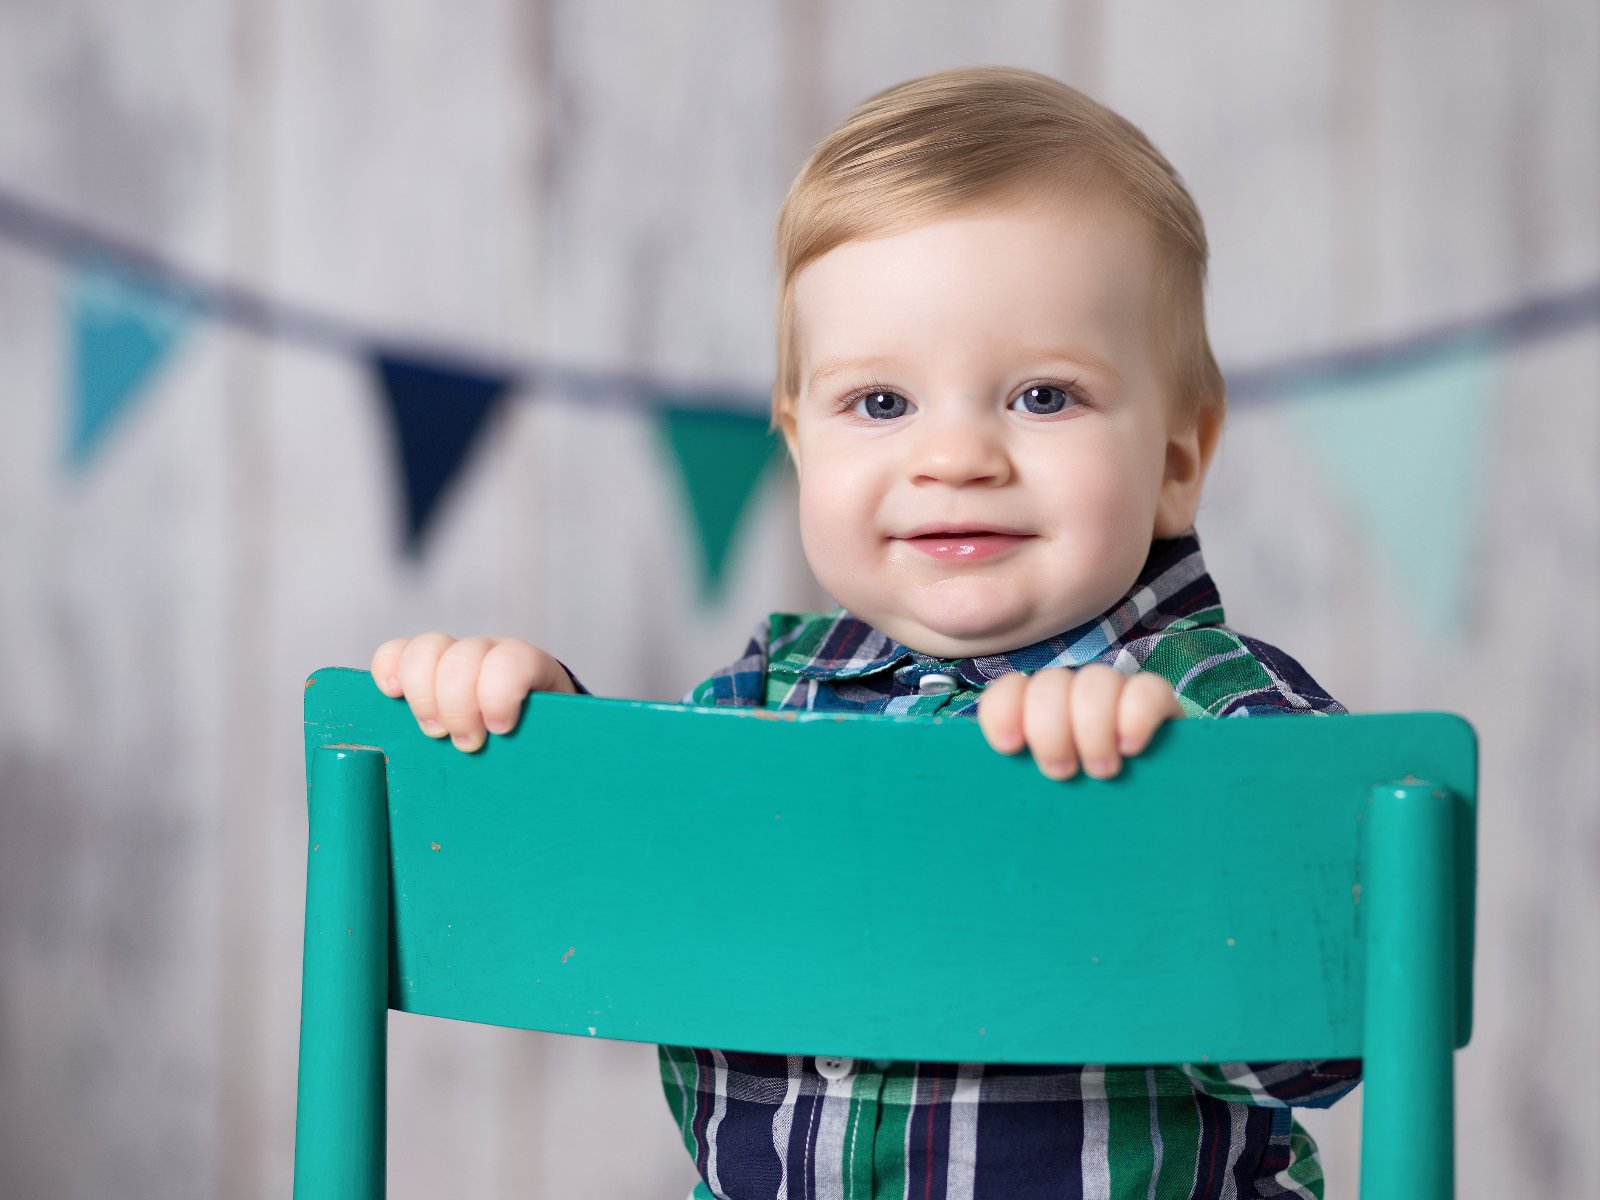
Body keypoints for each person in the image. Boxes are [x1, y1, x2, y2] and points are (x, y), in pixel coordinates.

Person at [371, 66, 1358, 1200]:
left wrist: (1161, 816)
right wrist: (536, 741)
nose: (954, 458)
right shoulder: (768, 697)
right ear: (800, 448)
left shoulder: (1224, 711)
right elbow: (613, 916)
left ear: (1178, 459)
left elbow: (1341, 1036)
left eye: (1043, 396)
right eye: (881, 404)